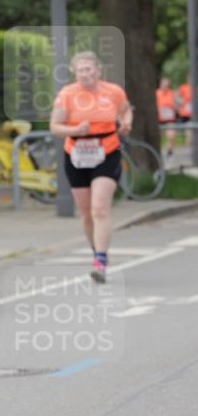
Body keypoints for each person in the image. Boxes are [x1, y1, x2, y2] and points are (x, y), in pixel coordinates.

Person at [50, 51, 133, 283]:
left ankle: (100, 260)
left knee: (99, 209)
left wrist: (126, 123)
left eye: (89, 69)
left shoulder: (113, 91)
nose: (85, 74)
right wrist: (75, 130)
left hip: (106, 152)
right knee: (86, 213)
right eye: (80, 70)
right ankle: (97, 249)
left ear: (98, 70)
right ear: (75, 73)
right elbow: (55, 126)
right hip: (76, 154)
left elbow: (126, 109)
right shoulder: (67, 95)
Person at [155, 77, 177, 160]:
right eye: (164, 84)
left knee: (171, 136)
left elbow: (175, 104)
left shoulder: (171, 93)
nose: (165, 86)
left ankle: (170, 152)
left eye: (167, 85)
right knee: (158, 138)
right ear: (161, 84)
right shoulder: (156, 93)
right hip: (159, 119)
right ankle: (158, 153)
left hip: (169, 119)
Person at [177, 77, 193, 150]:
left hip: (193, 113)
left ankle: (188, 144)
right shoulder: (183, 87)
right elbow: (177, 97)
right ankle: (188, 144)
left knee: (189, 128)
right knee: (188, 129)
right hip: (185, 113)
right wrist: (181, 103)